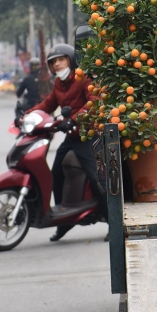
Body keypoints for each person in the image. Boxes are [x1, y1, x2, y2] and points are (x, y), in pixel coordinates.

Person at [29, 44, 102, 241]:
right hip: (71, 137)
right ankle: (64, 222)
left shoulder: (83, 79)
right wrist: (28, 116)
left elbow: (93, 102)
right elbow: (48, 104)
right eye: (53, 62)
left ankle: (112, 219)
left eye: (61, 59)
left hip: (88, 136)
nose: (58, 64)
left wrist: (74, 118)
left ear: (70, 60)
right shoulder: (59, 85)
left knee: (97, 178)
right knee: (55, 175)